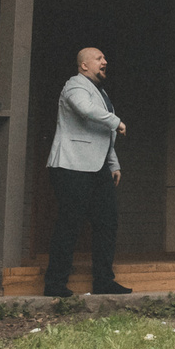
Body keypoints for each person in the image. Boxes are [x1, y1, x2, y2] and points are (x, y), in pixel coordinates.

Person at [45, 47, 130, 297]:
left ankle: (104, 280)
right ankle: (55, 284)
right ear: (84, 65)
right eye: (99, 58)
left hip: (97, 167)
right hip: (71, 166)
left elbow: (102, 133)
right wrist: (116, 120)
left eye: (105, 58)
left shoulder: (101, 93)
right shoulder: (74, 86)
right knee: (69, 225)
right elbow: (85, 110)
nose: (105, 61)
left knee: (107, 222)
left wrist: (113, 163)